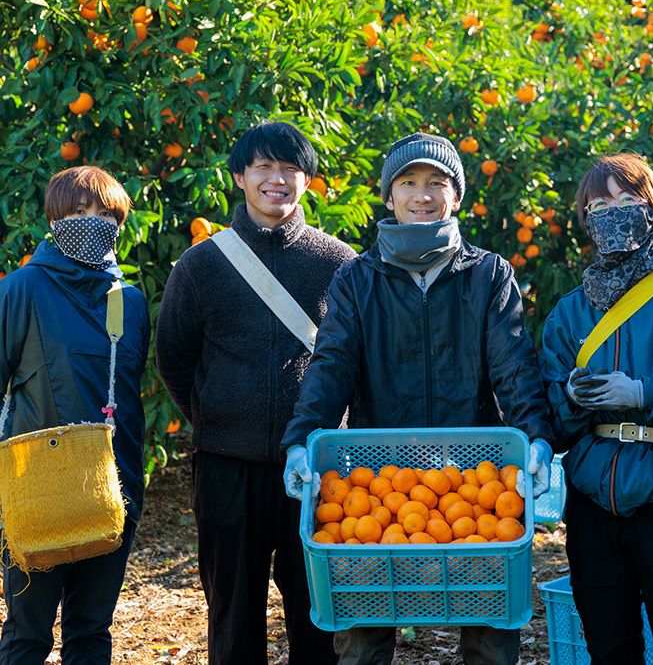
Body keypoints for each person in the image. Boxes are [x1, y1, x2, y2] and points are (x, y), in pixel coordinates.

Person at [282, 132, 555, 665]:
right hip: (377, 477)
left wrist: (538, 439)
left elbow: (513, 367)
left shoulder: (488, 274)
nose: (422, 195)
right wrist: (300, 441)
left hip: (477, 476)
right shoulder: (356, 279)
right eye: (408, 182)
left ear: (456, 197)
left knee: (490, 620)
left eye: (436, 183)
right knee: (363, 629)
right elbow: (331, 365)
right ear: (389, 196)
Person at [155, 121, 356, 665]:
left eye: (290, 169)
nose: (277, 179)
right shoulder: (202, 264)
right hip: (227, 467)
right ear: (240, 176)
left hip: (316, 469)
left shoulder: (339, 264)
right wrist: (217, 419)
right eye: (263, 167)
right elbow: (174, 356)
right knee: (233, 614)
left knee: (319, 614)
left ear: (307, 180)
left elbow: (356, 361)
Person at [539, 153, 653, 665]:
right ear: (586, 220)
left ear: (652, 210)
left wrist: (644, 393)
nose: (614, 211)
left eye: (628, 200)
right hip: (592, 502)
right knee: (608, 649)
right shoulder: (569, 311)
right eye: (600, 203)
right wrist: (569, 399)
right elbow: (549, 417)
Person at [0, 166, 150, 664]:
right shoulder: (21, 289)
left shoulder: (128, 301)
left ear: (120, 222)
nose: (91, 221)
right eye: (77, 212)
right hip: (38, 491)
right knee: (28, 635)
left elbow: (129, 399)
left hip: (112, 490)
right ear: (54, 219)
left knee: (90, 632)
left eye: (104, 213)